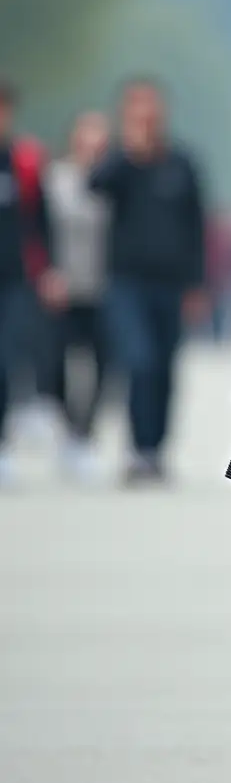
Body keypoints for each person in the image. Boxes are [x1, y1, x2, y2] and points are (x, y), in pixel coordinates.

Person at [90, 80, 207, 485]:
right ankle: (139, 447)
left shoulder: (180, 163)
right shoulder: (119, 164)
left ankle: (156, 447)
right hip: (127, 282)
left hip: (171, 283)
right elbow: (95, 186)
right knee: (138, 360)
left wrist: (197, 284)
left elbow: (196, 225)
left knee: (164, 366)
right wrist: (125, 151)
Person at [0, 81, 66, 486]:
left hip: (12, 279)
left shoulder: (22, 164)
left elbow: (41, 223)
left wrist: (50, 271)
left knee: (6, 360)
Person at [44, 111, 111, 480]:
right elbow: (41, 227)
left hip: (106, 286)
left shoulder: (116, 178)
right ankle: (67, 424)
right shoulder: (57, 178)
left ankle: (85, 432)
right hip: (63, 285)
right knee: (55, 362)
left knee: (104, 364)